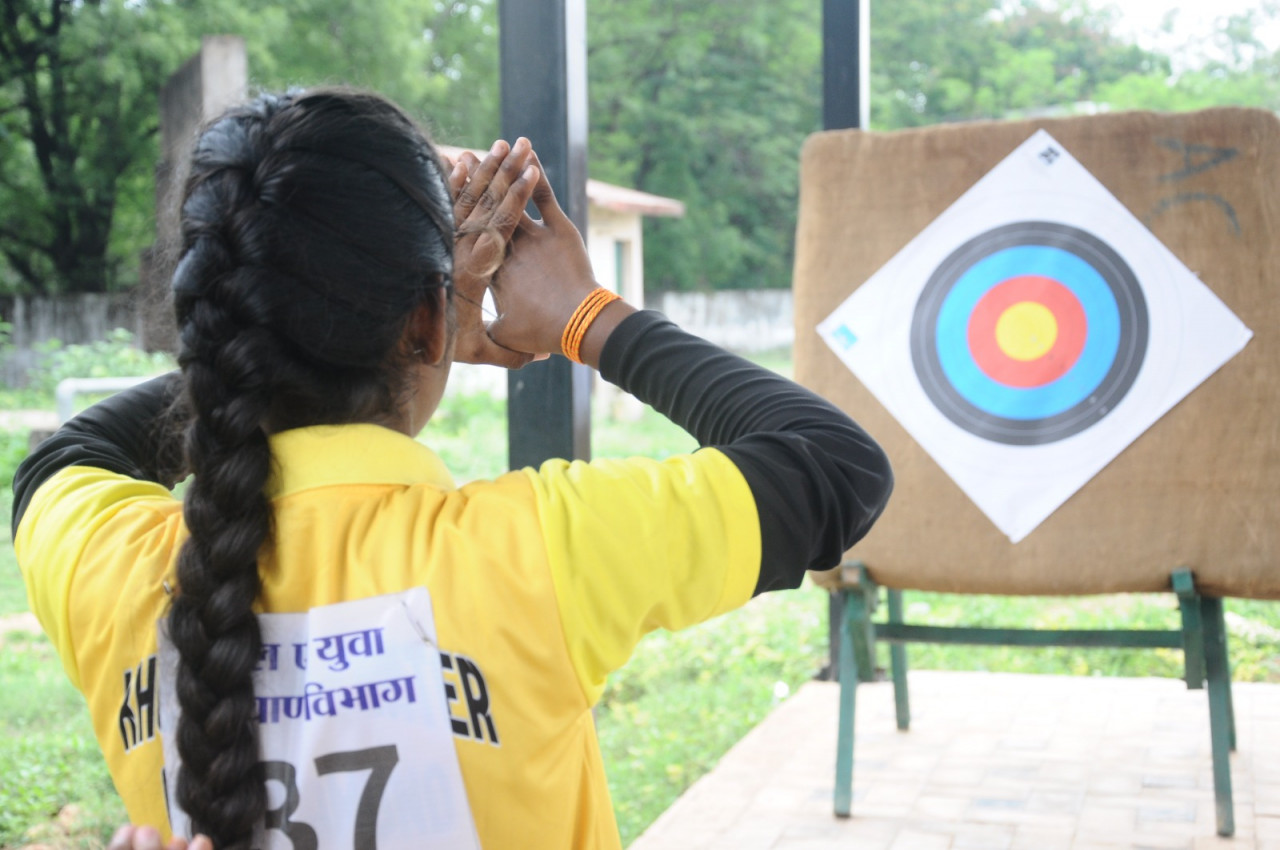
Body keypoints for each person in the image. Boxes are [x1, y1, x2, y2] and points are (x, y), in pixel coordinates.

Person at [12, 88, 892, 850]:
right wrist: (583, 314)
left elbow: (63, 458)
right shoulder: (533, 554)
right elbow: (833, 466)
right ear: (430, 323)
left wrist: (248, 344)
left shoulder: (111, 565)